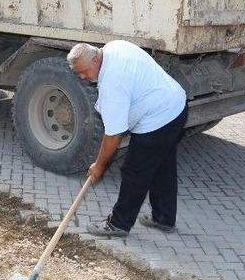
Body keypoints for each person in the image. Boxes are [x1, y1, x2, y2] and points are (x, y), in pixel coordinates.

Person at [67, 41, 188, 236]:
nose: (83, 77)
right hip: (176, 106)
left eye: (84, 72)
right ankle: (164, 218)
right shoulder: (113, 47)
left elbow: (114, 135)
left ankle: (119, 224)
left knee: (134, 171)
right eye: (78, 73)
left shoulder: (113, 82)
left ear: (96, 59)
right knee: (163, 166)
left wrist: (99, 165)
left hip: (158, 119)